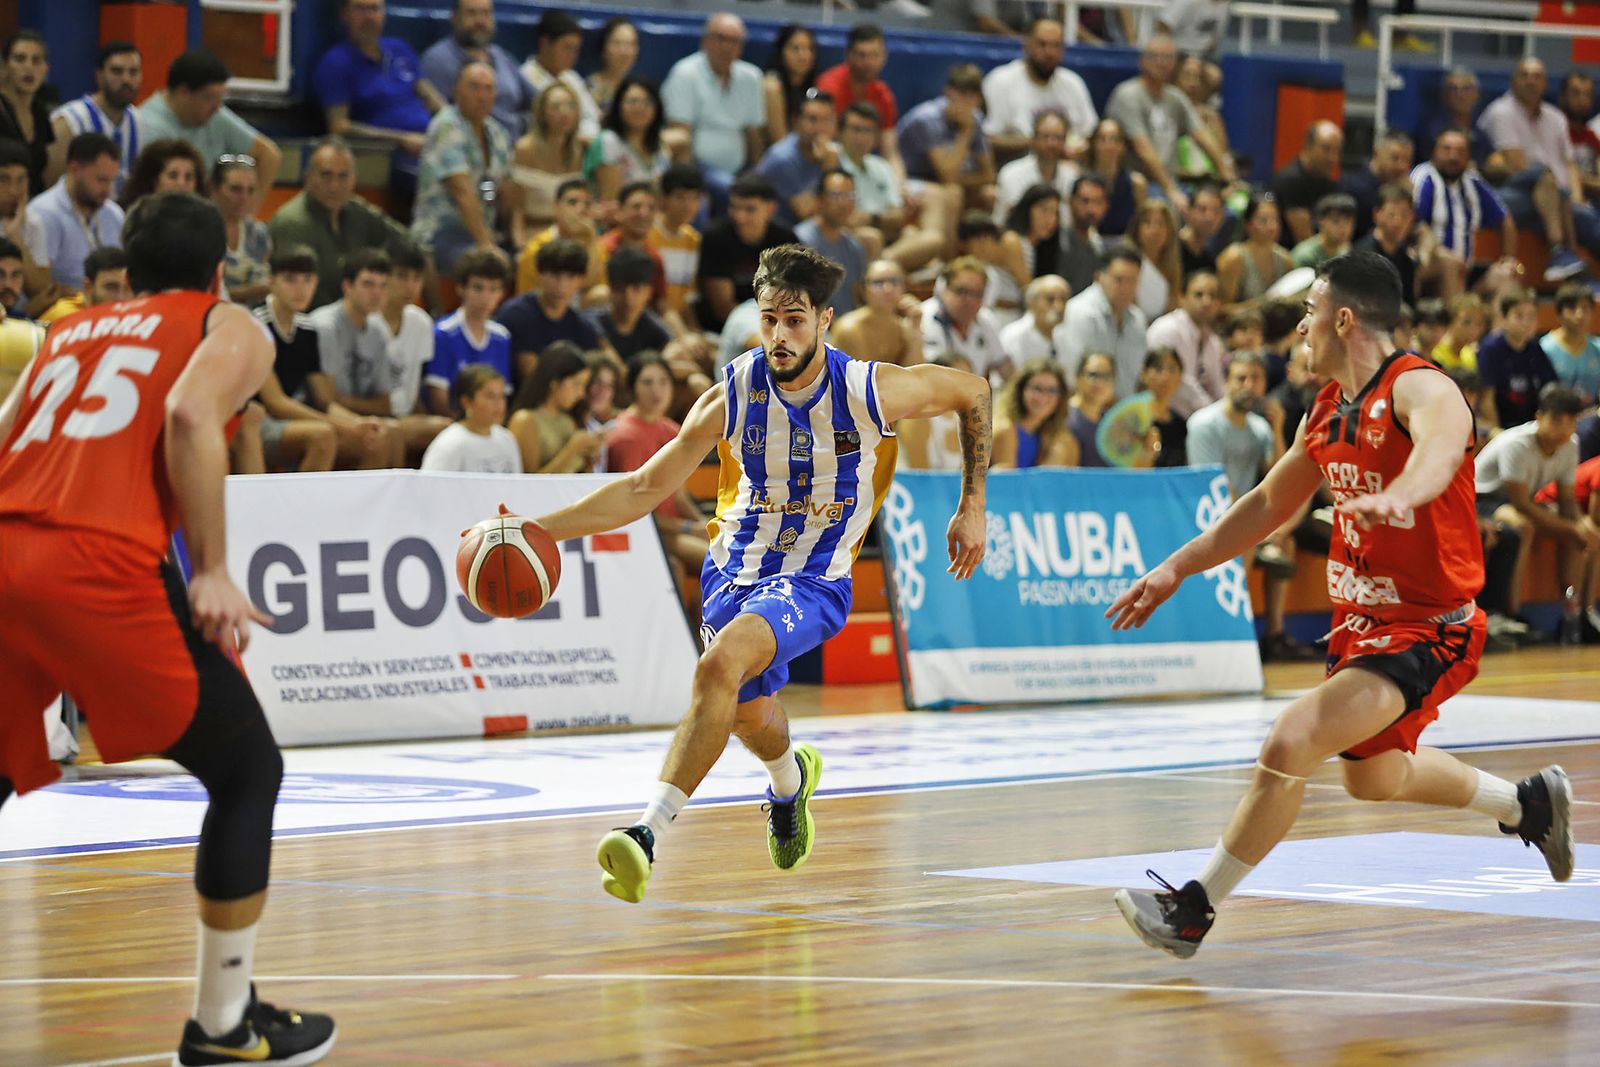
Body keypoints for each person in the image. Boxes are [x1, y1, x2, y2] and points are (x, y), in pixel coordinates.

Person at [1108, 252, 1574, 959]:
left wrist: (1402, 496)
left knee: (1289, 742)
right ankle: (1528, 804)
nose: (1299, 327)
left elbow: (1443, 450)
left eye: (1307, 312)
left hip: (1428, 628)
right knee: (1374, 777)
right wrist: (1179, 565)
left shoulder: (1423, 387)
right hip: (1362, 627)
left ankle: (1193, 908)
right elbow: (1267, 502)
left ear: (1343, 319)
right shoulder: (1326, 408)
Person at [520, 244, 990, 904]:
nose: (780, 334)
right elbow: (643, 487)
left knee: (717, 667)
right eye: (770, 319)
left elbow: (974, 389)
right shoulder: (733, 390)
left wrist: (973, 503)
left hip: (813, 578)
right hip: (731, 570)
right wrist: (541, 530)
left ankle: (644, 834)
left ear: (825, 321)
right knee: (746, 711)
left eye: (795, 320)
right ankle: (789, 781)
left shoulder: (869, 389)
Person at [0, 189, 338, 1062]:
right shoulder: (230, 325)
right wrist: (214, 569)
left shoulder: (66, 332)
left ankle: (236, 1011)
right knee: (246, 766)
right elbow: (192, 414)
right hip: (90, 561)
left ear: (127, 269)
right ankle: (224, 1023)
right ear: (222, 269)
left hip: (7, 546)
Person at [253, 243, 392, 471]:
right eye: (290, 279)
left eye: (307, 279)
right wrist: (342, 427)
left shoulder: (307, 329)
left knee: (377, 439)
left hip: (292, 419)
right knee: (322, 436)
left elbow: (324, 401)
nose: (300, 289)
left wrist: (358, 423)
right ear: (271, 281)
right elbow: (276, 403)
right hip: (257, 420)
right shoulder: (256, 324)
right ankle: (301, 507)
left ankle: (354, 507)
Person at [1476, 383, 1600, 637]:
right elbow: (1520, 503)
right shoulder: (1516, 444)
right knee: (1523, 526)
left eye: (1571, 421)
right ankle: (1511, 611)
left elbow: (1567, 500)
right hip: (1482, 499)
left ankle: (1574, 612)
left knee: (1580, 536)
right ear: (1539, 417)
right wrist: (1571, 525)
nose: (1563, 428)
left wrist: (1580, 525)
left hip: (1522, 501)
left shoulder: (1570, 444)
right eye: (1557, 420)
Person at [1478, 57, 1595, 277]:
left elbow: (1570, 165)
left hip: (1554, 197)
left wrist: (1577, 198)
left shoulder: (1556, 117)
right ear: (1513, 81)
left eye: (1537, 77)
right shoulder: (1501, 112)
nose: (1531, 81)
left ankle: (1573, 266)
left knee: (1581, 212)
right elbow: (1518, 166)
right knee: (1544, 177)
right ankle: (1559, 249)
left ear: (1545, 84)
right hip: (1513, 190)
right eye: (1525, 76)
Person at [267, 137, 410, 309]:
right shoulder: (292, 223)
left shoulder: (358, 211)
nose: (335, 185)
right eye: (326, 176)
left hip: (359, 317)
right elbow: (301, 294)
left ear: (354, 179)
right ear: (308, 177)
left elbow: (408, 245)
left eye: (343, 176)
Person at [314, 0, 440, 191]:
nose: (369, 17)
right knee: (451, 185)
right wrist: (402, 139)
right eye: (361, 9)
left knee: (489, 180)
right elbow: (339, 127)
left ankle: (488, 208)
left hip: (434, 146)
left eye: (375, 9)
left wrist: (457, 126)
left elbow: (433, 99)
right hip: (391, 156)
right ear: (344, 14)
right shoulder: (335, 63)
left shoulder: (399, 49)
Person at [603, 353, 708, 582]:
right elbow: (633, 508)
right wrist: (690, 528)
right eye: (647, 382)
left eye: (663, 381)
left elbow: (679, 497)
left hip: (672, 529)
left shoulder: (672, 430)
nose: (657, 390)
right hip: (646, 532)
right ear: (632, 388)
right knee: (716, 561)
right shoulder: (626, 436)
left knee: (728, 550)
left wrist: (705, 525)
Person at [1104, 33, 1234, 214]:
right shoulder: (1128, 95)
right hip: (1138, 180)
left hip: (1174, 181)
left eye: (1167, 57)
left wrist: (1227, 178)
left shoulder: (1175, 97)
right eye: (1154, 56)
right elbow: (1144, 150)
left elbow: (1203, 137)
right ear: (1141, 61)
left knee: (1225, 211)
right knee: (1175, 209)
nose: (1161, 62)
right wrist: (1170, 190)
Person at [137, 50, 282, 204]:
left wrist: (247, 214)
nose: (217, 107)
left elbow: (269, 156)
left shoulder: (213, 114)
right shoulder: (149, 127)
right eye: (210, 97)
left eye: (221, 98)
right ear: (184, 92)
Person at [411, 62, 510, 273]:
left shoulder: (497, 133)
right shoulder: (447, 126)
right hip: (440, 233)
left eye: (488, 88)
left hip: (480, 231)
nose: (482, 96)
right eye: (474, 87)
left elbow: (489, 187)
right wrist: (487, 246)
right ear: (456, 92)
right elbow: (461, 192)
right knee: (484, 268)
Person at [661, 15, 765, 203]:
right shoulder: (685, 74)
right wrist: (690, 185)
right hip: (699, 169)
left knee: (763, 193)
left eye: (734, 41)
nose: (727, 47)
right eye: (720, 39)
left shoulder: (752, 77)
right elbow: (680, 136)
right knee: (730, 191)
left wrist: (759, 175)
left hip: (740, 170)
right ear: (705, 41)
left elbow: (753, 134)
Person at [1411, 128, 1521, 298]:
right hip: (1428, 267)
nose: (1453, 157)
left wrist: (1508, 259)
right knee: (1450, 264)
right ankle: (1456, 318)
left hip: (1466, 271)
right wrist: (1439, 253)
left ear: (1469, 157)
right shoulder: (1425, 178)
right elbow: (1417, 226)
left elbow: (1505, 220)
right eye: (1447, 149)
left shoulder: (1473, 182)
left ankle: (1500, 324)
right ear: (1434, 152)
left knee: (1505, 274)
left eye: (1460, 151)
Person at [981, 17, 1097, 157]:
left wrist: (1080, 147)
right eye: (1042, 44)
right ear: (1026, 45)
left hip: (1068, 169)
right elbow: (986, 139)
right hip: (1017, 169)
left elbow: (1091, 133)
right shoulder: (1000, 82)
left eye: (1056, 46)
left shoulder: (1073, 83)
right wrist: (1038, 144)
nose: (1050, 53)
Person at [419, 0, 534, 140]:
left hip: (516, 146)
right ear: (454, 17)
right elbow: (441, 119)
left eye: (486, 13)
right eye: (471, 13)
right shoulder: (437, 60)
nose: (480, 21)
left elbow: (538, 100)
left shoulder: (501, 56)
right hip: (469, 149)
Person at [699, 173, 797, 335]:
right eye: (735, 207)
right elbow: (723, 308)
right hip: (723, 330)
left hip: (777, 325)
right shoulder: (716, 238)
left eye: (749, 209)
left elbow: (795, 292)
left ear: (771, 209)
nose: (740, 217)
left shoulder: (786, 240)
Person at [495, 238, 601, 383]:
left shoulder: (582, 325)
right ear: (539, 274)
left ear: (581, 280)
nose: (562, 286)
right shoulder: (517, 314)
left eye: (570, 277)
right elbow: (533, 378)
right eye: (555, 276)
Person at [47, 41, 145, 194]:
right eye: (117, 71)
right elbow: (51, 186)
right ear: (99, 75)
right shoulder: (69, 121)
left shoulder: (139, 121)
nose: (126, 79)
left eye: (133, 72)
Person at [896, 65, 995, 215]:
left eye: (972, 96)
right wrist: (966, 132)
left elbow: (989, 175)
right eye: (961, 94)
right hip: (910, 179)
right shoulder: (926, 119)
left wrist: (960, 180)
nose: (966, 102)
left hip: (945, 181)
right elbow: (947, 176)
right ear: (948, 92)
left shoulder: (976, 118)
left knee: (990, 194)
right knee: (953, 192)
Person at [425, 246, 512, 415]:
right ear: (461, 289)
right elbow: (439, 401)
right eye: (478, 288)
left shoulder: (502, 337)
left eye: (493, 289)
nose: (486, 297)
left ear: (502, 293)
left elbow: (502, 396)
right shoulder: (442, 334)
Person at [814, 24, 905, 182]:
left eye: (875, 55)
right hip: (833, 171)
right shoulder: (828, 87)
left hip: (869, 169)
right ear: (848, 55)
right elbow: (821, 142)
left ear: (884, 57)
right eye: (862, 55)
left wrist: (900, 188)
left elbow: (890, 152)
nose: (868, 62)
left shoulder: (883, 95)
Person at [33, 133, 124, 290]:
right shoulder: (43, 215)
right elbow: (41, 289)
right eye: (101, 180)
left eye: (112, 180)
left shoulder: (114, 213)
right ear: (74, 169)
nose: (109, 190)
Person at [1063, 246, 1149, 398]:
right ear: (1098, 278)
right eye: (1119, 279)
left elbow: (1139, 375)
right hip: (1087, 409)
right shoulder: (1080, 313)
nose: (1125, 288)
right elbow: (1077, 375)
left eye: (1132, 281)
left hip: (1125, 410)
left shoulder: (1137, 318)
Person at [509, 81, 588, 247]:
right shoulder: (525, 149)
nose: (565, 113)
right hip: (536, 236)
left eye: (571, 106)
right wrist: (521, 246)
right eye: (556, 107)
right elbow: (516, 211)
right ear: (542, 114)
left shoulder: (583, 148)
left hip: (575, 237)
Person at [585, 77, 675, 222]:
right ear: (619, 105)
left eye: (648, 102)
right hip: (612, 227)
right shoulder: (609, 141)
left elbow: (661, 200)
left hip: (648, 224)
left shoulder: (661, 149)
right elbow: (610, 203)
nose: (640, 108)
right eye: (633, 102)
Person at [506, 339, 601, 473]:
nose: (581, 394)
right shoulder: (525, 420)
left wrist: (589, 460)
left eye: (583, 386)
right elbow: (529, 484)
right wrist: (572, 450)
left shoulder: (568, 421)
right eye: (576, 384)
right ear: (554, 382)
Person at [757, 89, 843, 229]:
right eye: (812, 119)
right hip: (779, 236)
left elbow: (842, 206)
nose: (820, 128)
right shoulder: (782, 159)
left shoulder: (831, 152)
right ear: (796, 122)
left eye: (827, 120)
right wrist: (829, 168)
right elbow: (807, 214)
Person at [1147, 268, 1226, 418]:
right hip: (1160, 415)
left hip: (1194, 417)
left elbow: (1217, 386)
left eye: (1213, 296)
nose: (1206, 301)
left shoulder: (1213, 342)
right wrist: (1213, 414)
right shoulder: (1167, 330)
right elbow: (1180, 383)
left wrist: (1226, 412)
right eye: (1199, 295)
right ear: (1181, 298)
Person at [1477, 287, 1558, 430]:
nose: (1526, 323)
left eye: (1532, 316)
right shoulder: (1490, 349)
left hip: (1531, 426)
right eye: (1519, 316)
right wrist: (1499, 435)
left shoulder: (1535, 348)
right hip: (1501, 426)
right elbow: (1486, 400)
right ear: (1504, 318)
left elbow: (1551, 389)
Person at [514, 176, 605, 300]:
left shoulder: (596, 246)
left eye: (587, 204)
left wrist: (591, 238)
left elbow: (596, 286)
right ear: (556, 207)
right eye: (572, 202)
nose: (581, 209)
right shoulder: (536, 249)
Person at [420, 363, 520, 472]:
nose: (499, 404)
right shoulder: (451, 443)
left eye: (502, 396)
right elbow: (430, 486)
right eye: (490, 396)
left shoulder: (507, 439)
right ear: (466, 401)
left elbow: (517, 485)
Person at [794, 170, 868, 316]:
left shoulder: (854, 246)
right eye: (837, 195)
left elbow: (859, 297)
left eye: (850, 196)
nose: (845, 203)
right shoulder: (801, 241)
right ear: (820, 200)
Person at [921, 255, 1008, 379]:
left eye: (977, 294)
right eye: (962, 292)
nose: (970, 301)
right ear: (944, 289)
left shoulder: (986, 320)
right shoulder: (923, 317)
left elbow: (1006, 369)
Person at [519, 10, 600, 143]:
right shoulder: (525, 77)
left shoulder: (572, 77)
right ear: (545, 43)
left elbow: (592, 116)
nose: (572, 56)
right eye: (567, 48)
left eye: (576, 50)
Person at [375, 239, 433, 418]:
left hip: (405, 419)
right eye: (401, 276)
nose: (410, 286)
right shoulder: (366, 321)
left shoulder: (422, 322)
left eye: (417, 278)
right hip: (369, 416)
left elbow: (412, 390)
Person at [830, 258, 924, 368]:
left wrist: (915, 333)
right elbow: (864, 381)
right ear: (864, 290)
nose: (888, 289)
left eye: (895, 281)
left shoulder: (904, 328)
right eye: (878, 282)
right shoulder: (849, 328)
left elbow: (913, 376)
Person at [994, 112, 1080, 229]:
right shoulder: (1011, 174)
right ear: (1033, 139)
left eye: (1058, 137)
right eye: (1045, 136)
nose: (1052, 143)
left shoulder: (1072, 176)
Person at [588, 246, 672, 363]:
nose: (628, 298)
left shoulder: (657, 331)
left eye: (636, 289)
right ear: (610, 290)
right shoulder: (590, 325)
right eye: (620, 289)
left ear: (648, 292)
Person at [993, 358, 1077, 468]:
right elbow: (1008, 482)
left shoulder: (1055, 436)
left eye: (1052, 390)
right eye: (1037, 388)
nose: (1043, 397)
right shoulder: (1006, 429)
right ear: (1021, 390)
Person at [650, 163, 705, 328]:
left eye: (694, 198)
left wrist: (695, 333)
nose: (688, 205)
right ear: (663, 199)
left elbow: (688, 301)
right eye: (680, 197)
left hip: (679, 325)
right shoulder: (648, 235)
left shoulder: (694, 240)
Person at [212, 156, 271, 306]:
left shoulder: (259, 233)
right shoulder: (199, 232)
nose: (244, 198)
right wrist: (250, 292)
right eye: (235, 189)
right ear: (215, 189)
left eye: (250, 190)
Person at [1216, 194, 1292, 311]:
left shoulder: (1285, 259)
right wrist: (1262, 305)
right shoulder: (1234, 258)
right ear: (1248, 224)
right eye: (1263, 220)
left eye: (1276, 219)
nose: (1272, 226)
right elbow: (1221, 309)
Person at [1272, 121, 1343, 246]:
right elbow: (1305, 239)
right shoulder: (1291, 180)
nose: (1333, 158)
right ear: (1308, 146)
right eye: (1326, 149)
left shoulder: (1330, 184)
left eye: (1337, 151)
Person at [0, 31, 52, 195]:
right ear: (5, 66)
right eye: (20, 59)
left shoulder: (41, 112)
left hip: (33, 207)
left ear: (46, 69)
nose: (29, 67)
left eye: (36, 60)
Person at [0, 138, 51, 300]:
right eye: (4, 180)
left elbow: (42, 288)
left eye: (21, 180)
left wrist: (15, 236)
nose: (14, 191)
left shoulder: (32, 222)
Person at [1340, 130, 1414, 241]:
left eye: (1407, 160)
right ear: (1376, 154)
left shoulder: (1404, 189)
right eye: (1395, 158)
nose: (1402, 166)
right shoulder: (1351, 187)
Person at [1083, 118, 1145, 239]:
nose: (1109, 145)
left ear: (1123, 145)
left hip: (1126, 247)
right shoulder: (1082, 182)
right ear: (1093, 144)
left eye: (1114, 139)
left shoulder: (1137, 183)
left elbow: (1141, 225)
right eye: (1102, 139)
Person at [997, 183, 1063, 294]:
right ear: (1027, 209)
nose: (1050, 220)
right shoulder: (1012, 240)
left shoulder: (1037, 247)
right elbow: (1029, 292)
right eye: (1044, 210)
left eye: (1055, 213)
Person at [35, 246, 127, 325]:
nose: (121, 297)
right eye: (111, 287)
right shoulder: (66, 316)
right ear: (88, 287)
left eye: (127, 288)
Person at [1542, 281, 1600, 404]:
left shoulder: (1597, 347)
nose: (1580, 315)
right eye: (1572, 308)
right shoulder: (1545, 348)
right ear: (1559, 314)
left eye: (1585, 308)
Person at [1417, 68, 1491, 166]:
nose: (1460, 95)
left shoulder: (1479, 133)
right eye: (1453, 89)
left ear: (1477, 95)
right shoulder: (1431, 131)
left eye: (1466, 89)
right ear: (1444, 95)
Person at [1000, 273, 1071, 367]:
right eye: (1050, 299)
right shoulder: (1014, 335)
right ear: (1031, 302)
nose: (1059, 307)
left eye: (1063, 300)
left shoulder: (1065, 335)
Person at [763, 24, 818, 146]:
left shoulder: (811, 88)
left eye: (808, 49)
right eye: (795, 48)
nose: (803, 55)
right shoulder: (771, 86)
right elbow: (780, 144)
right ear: (781, 52)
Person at [120, 138, 206, 211]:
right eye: (173, 176)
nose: (181, 183)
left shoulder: (207, 222)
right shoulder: (127, 218)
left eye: (188, 177)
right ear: (153, 181)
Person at [1057, 174, 1108, 295]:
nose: (1091, 209)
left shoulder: (1100, 247)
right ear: (1071, 201)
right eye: (1085, 201)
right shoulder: (1056, 241)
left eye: (1098, 202)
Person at [1131, 198, 1182, 320]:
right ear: (1137, 230)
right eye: (1147, 223)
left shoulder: (1173, 268)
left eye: (1160, 224)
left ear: (1169, 232)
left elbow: (1172, 309)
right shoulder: (1128, 263)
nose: (1154, 230)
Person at [1066, 350, 1117, 467]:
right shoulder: (1063, 416)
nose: (1100, 382)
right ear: (1077, 377)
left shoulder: (1112, 421)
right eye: (1093, 375)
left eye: (1107, 376)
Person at [586, 17, 640, 121]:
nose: (624, 52)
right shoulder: (590, 87)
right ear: (603, 49)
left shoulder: (640, 89)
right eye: (617, 43)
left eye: (630, 44)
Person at [1142, 346, 1188, 465]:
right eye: (1158, 368)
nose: (1165, 376)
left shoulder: (1181, 425)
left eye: (1172, 369)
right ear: (1144, 374)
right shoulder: (1130, 419)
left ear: (1180, 377)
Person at [1291, 192, 1356, 271]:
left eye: (1348, 222)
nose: (1343, 228)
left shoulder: (1345, 252)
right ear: (1320, 221)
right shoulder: (1305, 256)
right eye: (1336, 222)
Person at [1178, 179, 1229, 278]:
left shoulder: (1209, 264)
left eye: (1216, 211)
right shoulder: (1170, 250)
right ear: (1188, 212)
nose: (1209, 217)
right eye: (1202, 209)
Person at [1432, 292, 1488, 372]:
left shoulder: (1470, 356)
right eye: (1466, 322)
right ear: (1451, 322)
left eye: (1479, 324)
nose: (1473, 330)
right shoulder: (1435, 354)